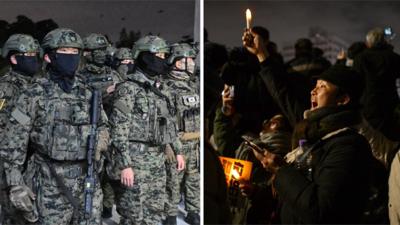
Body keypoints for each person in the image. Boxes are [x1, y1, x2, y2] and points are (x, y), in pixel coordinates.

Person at [242, 29, 377, 224]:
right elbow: (283, 95)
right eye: (315, 85)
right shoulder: (312, 128)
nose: (313, 91)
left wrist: (280, 170)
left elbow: (320, 210)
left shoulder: (348, 145)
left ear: (343, 99)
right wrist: (262, 54)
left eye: (322, 87)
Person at [0, 28, 109, 225]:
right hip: (48, 182)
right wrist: (15, 184)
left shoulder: (88, 93)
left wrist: (101, 140)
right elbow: (13, 143)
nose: (70, 57)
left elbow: (103, 124)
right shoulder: (33, 94)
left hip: (87, 180)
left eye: (74, 52)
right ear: (49, 57)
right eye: (64, 52)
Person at [109, 35, 181, 225]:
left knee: (155, 213)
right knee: (133, 215)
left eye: (164, 55)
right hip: (135, 161)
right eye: (157, 55)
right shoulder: (128, 88)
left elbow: (169, 124)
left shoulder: (160, 90)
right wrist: (125, 165)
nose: (162, 59)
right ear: (143, 56)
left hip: (157, 160)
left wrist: (178, 151)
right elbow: (119, 130)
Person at [0, 34, 40, 225]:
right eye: (28, 54)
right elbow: (5, 122)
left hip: (35, 162)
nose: (33, 59)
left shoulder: (38, 84)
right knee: (15, 214)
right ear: (14, 58)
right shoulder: (6, 88)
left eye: (35, 54)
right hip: (12, 164)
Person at [163, 43, 200, 225]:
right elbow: (165, 119)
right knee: (173, 180)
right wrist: (169, 145)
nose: (193, 63)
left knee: (193, 178)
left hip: (195, 142)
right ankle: (170, 214)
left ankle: (193, 211)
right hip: (177, 142)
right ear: (178, 63)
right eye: (189, 59)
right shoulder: (167, 86)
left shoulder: (194, 84)